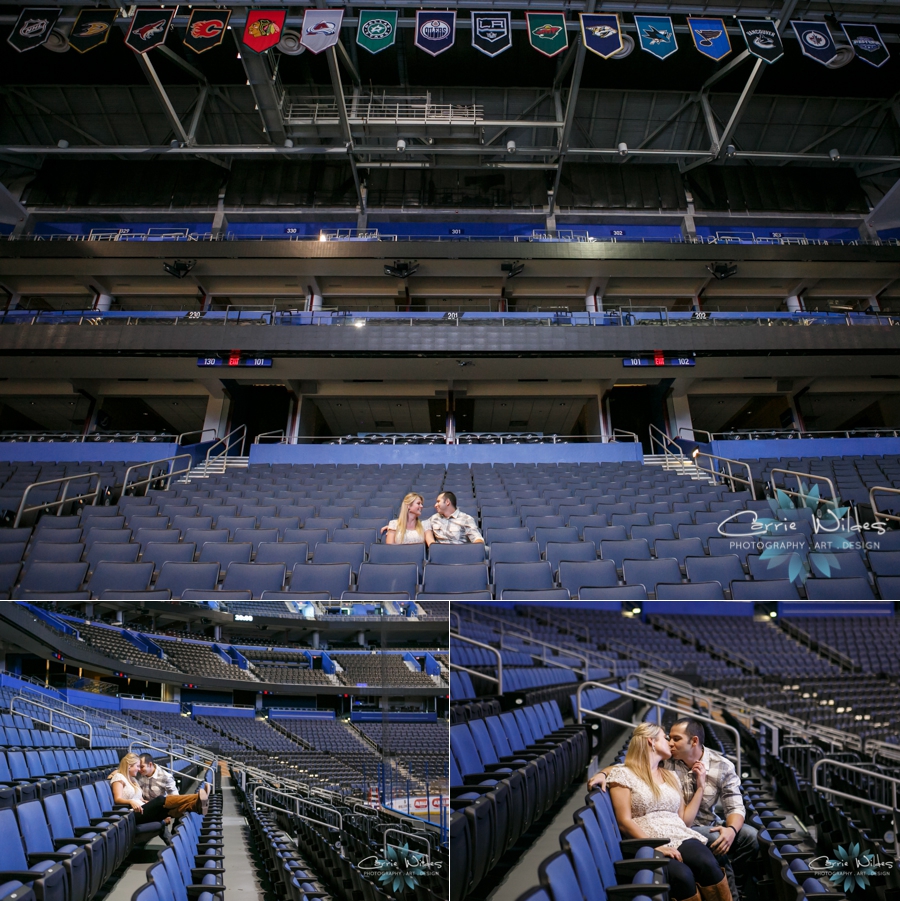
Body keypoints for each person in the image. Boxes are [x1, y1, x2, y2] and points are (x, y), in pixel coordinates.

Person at [589, 718, 756, 900]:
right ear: (651, 742)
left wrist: (730, 829)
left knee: (736, 842)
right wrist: (602, 772)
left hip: (689, 828)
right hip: (658, 831)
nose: (670, 743)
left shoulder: (715, 766)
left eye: (675, 739)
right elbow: (627, 769)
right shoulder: (665, 762)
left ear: (694, 741)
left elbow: (734, 807)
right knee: (688, 872)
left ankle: (736, 892)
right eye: (667, 738)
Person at [109, 753, 211, 825]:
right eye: (137, 766)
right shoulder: (121, 777)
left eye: (141, 767)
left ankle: (196, 805)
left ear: (150, 765)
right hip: (134, 813)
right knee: (161, 799)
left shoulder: (134, 779)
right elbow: (117, 799)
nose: (139, 769)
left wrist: (141, 800)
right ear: (129, 766)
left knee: (169, 811)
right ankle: (197, 797)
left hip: (145, 808)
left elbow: (175, 797)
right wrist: (131, 801)